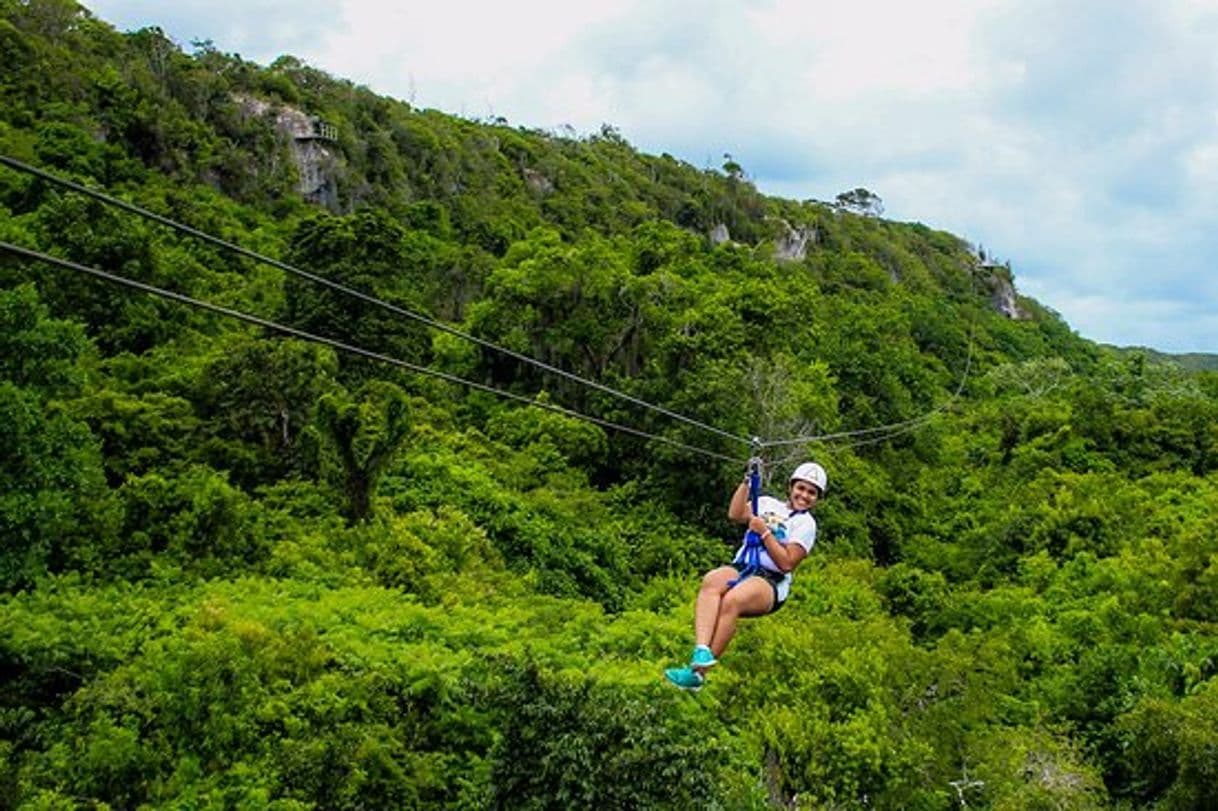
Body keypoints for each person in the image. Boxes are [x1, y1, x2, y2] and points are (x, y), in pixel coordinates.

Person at [664, 461, 826, 691]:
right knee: (711, 581)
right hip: (744, 565)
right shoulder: (768, 503)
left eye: (811, 493)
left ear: (817, 499)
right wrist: (747, 482)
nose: (804, 495)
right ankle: (701, 650)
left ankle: (698, 675)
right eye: (801, 488)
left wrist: (765, 532)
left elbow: (787, 562)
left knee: (733, 600)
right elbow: (736, 513)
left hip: (771, 580)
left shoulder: (806, 524)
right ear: (791, 486)